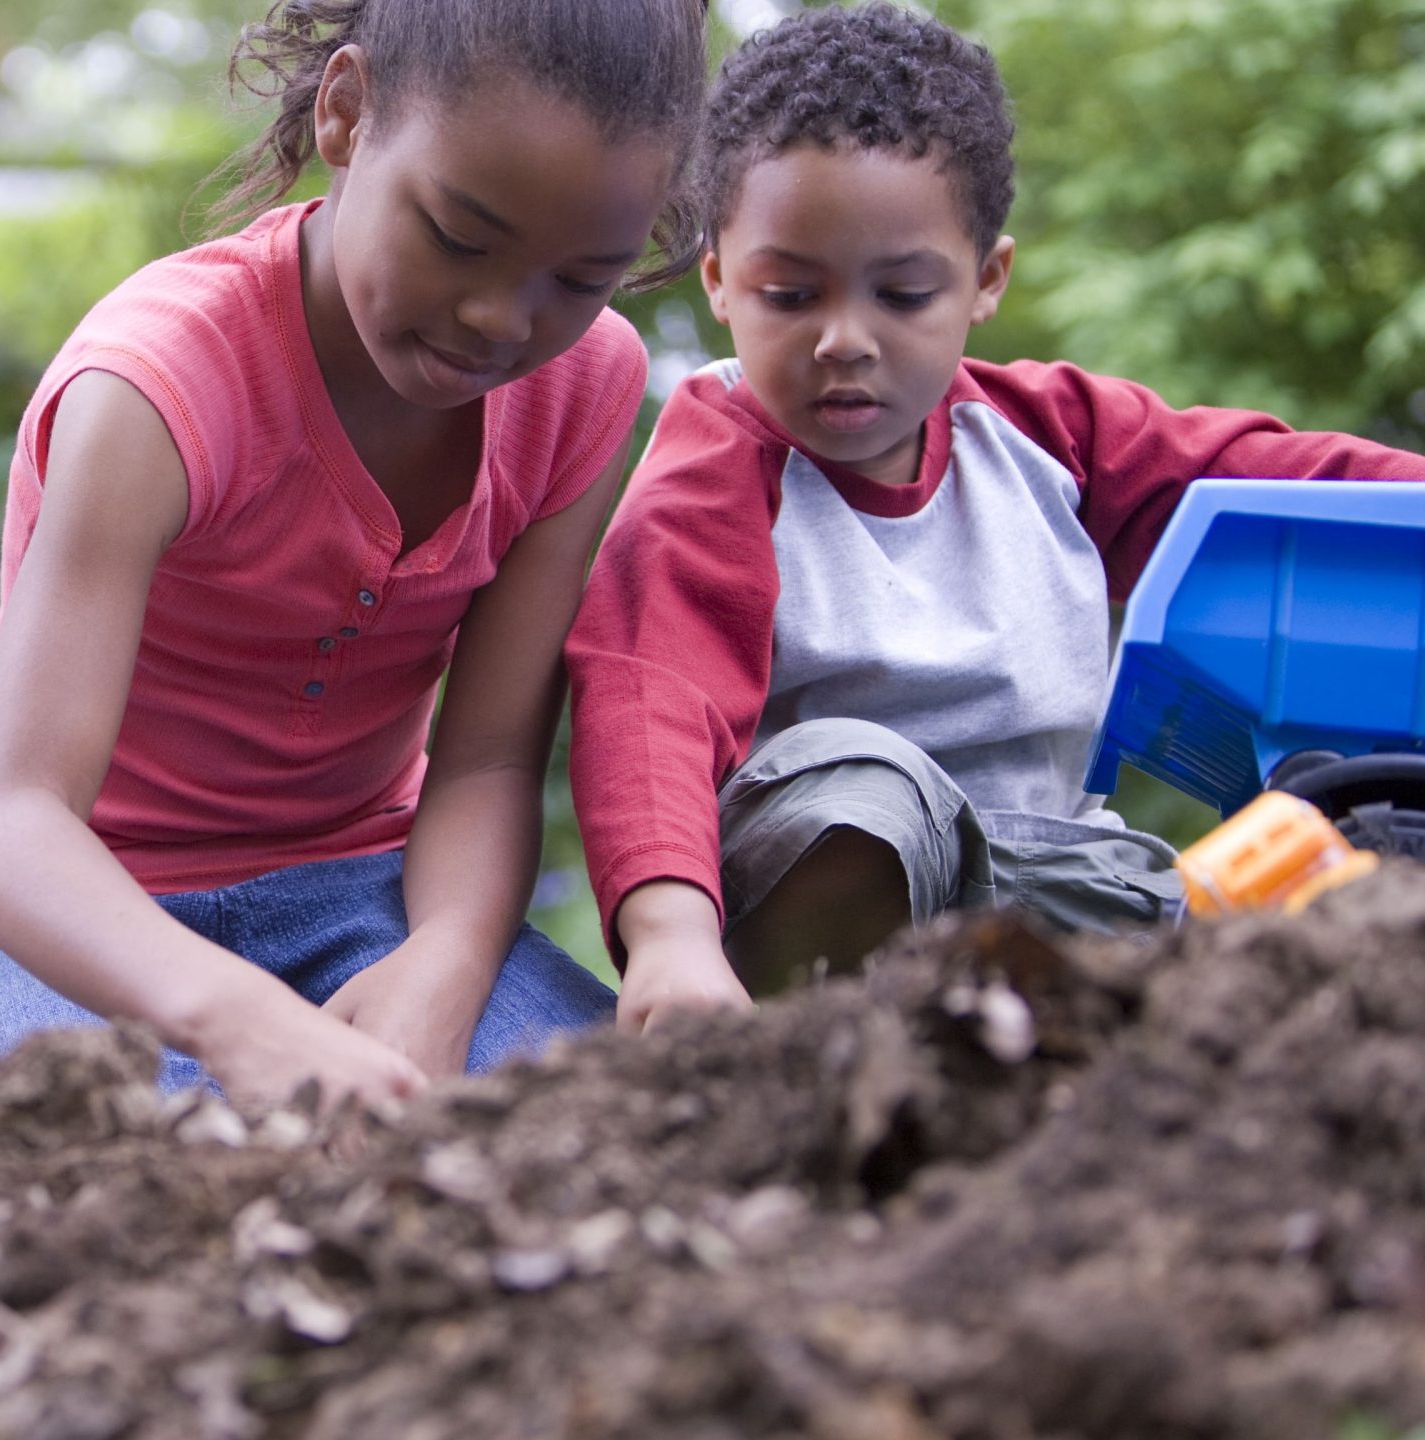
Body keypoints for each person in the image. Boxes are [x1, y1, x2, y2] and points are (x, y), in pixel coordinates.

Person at [567, 2, 1425, 1033]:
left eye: (901, 294)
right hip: (837, 869)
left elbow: (1268, 481)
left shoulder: (1044, 436)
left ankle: (1112, 1023)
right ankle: (829, 1036)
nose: (845, 338)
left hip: (1057, 876)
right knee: (866, 787)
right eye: (791, 296)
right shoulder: (715, 476)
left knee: (1314, 862)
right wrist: (669, 938)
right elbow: (647, 703)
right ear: (719, 280)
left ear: (984, 281)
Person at [0, 0, 710, 1109]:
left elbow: (489, 759)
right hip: (92, 939)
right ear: (346, 113)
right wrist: (244, 1027)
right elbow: (8, 829)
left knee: (638, 1133)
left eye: (578, 279)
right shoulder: (157, 388)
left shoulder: (583, 386)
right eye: (457, 237)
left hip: (374, 906)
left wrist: (443, 970)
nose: (502, 318)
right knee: (124, 1191)